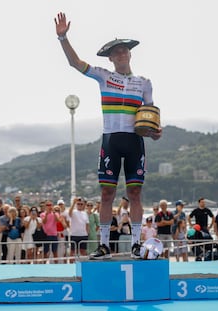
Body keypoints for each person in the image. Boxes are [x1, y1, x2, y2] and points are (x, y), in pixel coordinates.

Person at [55, 12, 162, 259]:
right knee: (106, 194)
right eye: (117, 52)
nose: (122, 54)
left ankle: (136, 243)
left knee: (135, 193)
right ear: (111, 58)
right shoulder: (104, 76)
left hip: (134, 141)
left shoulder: (144, 83)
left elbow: (150, 117)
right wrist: (63, 38)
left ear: (130, 54)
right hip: (111, 140)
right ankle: (103, 244)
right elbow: (75, 63)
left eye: (125, 50)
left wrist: (156, 133)